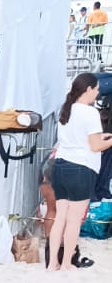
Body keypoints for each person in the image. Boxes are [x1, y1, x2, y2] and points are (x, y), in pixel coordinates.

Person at [49, 72, 112, 271]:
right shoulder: (90, 113)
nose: (98, 93)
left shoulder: (66, 109)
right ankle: (66, 263)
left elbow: (79, 138)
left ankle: (52, 263)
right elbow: (95, 146)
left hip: (60, 166)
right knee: (74, 220)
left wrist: (104, 137)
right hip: (81, 169)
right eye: (96, 90)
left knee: (60, 217)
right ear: (88, 89)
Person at [87, 0, 107, 65]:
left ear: (95, 6)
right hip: (100, 32)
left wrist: (86, 31)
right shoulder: (104, 13)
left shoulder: (91, 13)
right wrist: (98, 25)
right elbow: (105, 22)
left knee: (91, 46)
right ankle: (99, 59)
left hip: (92, 32)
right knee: (99, 46)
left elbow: (88, 23)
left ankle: (91, 58)